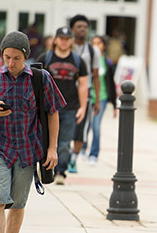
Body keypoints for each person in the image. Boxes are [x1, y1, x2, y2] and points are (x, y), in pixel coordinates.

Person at [0, 30, 66, 233]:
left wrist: (52, 149)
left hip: (28, 151)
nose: (11, 63)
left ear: (26, 57)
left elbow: (53, 112)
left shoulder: (41, 79)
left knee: (18, 203)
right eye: (7, 57)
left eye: (16, 58)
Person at [37, 26, 88, 185]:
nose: (64, 42)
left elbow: (83, 85)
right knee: (45, 140)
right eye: (61, 38)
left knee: (65, 142)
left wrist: (83, 107)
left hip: (70, 107)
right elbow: (36, 81)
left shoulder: (78, 61)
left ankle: (60, 172)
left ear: (71, 41)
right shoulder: (46, 58)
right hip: (48, 108)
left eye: (67, 39)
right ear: (56, 40)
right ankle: (46, 168)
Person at [68, 14, 101, 172]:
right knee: (63, 125)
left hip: (85, 93)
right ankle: (63, 154)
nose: (82, 30)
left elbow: (96, 75)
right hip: (66, 90)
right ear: (72, 29)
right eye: (79, 27)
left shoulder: (93, 51)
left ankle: (73, 159)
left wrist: (98, 99)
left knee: (81, 128)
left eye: (85, 27)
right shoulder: (66, 47)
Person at [86, 35, 118, 165]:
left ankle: (94, 154)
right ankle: (81, 149)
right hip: (88, 97)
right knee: (85, 126)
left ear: (104, 45)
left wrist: (115, 105)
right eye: (93, 43)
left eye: (99, 43)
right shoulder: (86, 60)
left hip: (102, 98)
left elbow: (111, 83)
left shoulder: (108, 63)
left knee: (96, 126)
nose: (96, 46)